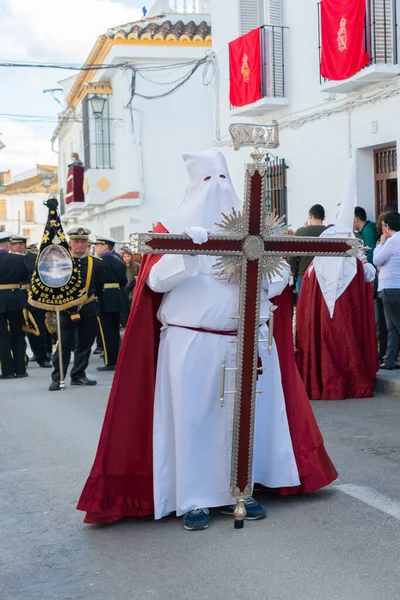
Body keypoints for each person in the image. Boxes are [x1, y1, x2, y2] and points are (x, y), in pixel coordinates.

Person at [77, 150, 337, 530]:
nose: (216, 189)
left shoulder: (254, 231)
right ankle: (195, 497)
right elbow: (154, 282)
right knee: (195, 421)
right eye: (207, 181)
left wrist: (258, 267)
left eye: (222, 180)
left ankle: (244, 489)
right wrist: (189, 255)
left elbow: (280, 281)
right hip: (192, 344)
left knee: (248, 419)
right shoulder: (172, 229)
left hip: (249, 341)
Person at [296, 159, 378, 400]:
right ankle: (349, 381)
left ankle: (322, 382)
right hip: (346, 319)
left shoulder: (314, 266)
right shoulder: (353, 263)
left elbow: (303, 310)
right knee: (348, 345)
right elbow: (369, 277)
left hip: (323, 321)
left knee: (323, 343)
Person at [49, 227, 105, 391]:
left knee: (85, 343)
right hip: (65, 309)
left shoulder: (96, 263)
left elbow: (99, 288)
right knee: (64, 344)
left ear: (88, 244)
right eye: (76, 241)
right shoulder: (60, 262)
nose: (79, 244)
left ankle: (78, 375)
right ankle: (57, 378)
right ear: (69, 243)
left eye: (83, 241)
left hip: (87, 307)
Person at [10, 235, 52, 368]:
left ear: (23, 245)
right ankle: (23, 358)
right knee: (18, 328)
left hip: (33, 296)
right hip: (16, 295)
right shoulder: (10, 259)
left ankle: (42, 356)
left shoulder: (35, 258)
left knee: (38, 328)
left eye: (15, 244)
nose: (12, 247)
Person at [94, 237, 127, 372]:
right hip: (116, 297)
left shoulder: (99, 262)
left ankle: (110, 361)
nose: (95, 248)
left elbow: (96, 281)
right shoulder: (118, 261)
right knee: (114, 330)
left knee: (106, 332)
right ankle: (117, 358)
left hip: (104, 298)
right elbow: (123, 281)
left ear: (106, 246)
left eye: (98, 245)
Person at [373, 211, 400, 370]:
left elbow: (377, 260)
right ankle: (389, 360)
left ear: (388, 226)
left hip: (390, 287)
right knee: (392, 327)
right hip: (395, 287)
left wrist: (380, 244)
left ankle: (389, 360)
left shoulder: (392, 242)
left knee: (396, 325)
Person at [0, 231, 29, 379]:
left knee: (1, 336)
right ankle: (21, 369)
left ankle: (7, 371)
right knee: (18, 334)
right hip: (15, 299)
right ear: (7, 244)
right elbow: (25, 278)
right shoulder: (18, 259)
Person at [288, 204, 327, 296]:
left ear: (310, 216)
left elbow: (292, 256)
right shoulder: (329, 232)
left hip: (304, 275)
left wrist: (294, 273)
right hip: (325, 277)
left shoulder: (301, 232)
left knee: (303, 308)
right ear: (324, 217)